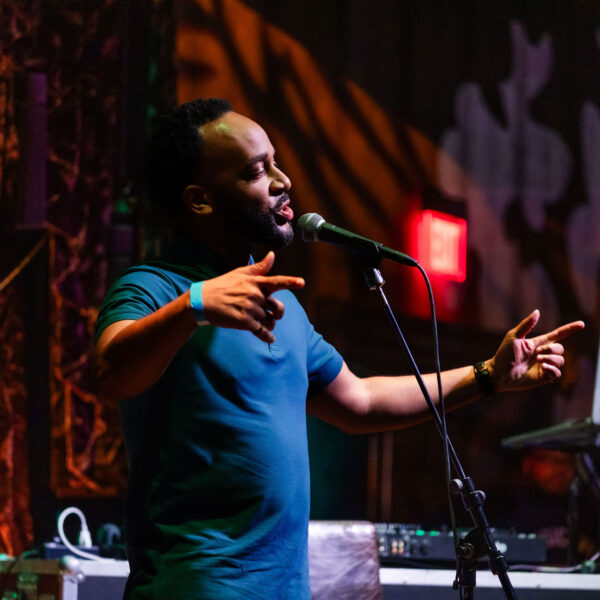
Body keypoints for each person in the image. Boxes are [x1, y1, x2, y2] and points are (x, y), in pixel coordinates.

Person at [94, 97, 585, 599]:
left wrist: (487, 376)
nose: (283, 181)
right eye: (257, 171)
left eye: (276, 162)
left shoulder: (281, 302)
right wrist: (194, 305)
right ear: (200, 200)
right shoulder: (155, 288)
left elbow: (361, 401)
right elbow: (110, 373)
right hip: (192, 587)